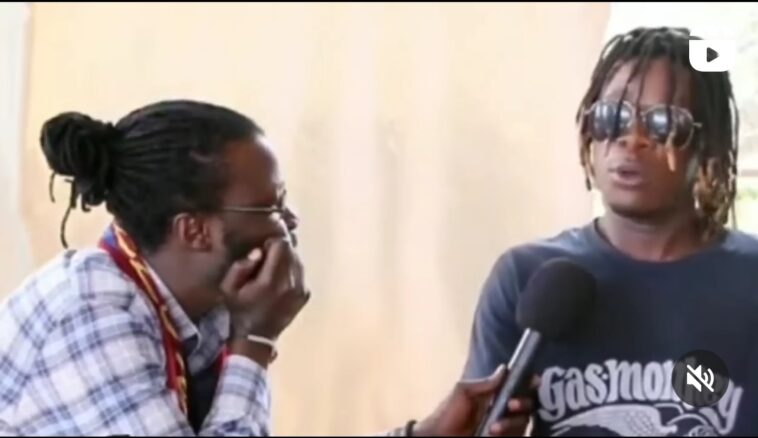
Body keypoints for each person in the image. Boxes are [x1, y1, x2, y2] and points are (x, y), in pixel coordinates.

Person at [0, 100, 533, 436]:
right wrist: (253, 343)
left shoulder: (196, 309)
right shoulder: (91, 313)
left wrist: (425, 435)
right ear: (195, 230)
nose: (289, 222)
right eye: (272, 206)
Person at [462, 26, 758, 436]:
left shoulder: (749, 278)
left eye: (662, 122)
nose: (631, 140)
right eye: (612, 117)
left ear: (705, 144)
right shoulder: (526, 276)